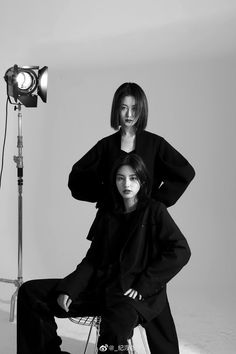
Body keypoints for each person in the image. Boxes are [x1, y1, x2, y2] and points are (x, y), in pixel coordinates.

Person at [17, 154, 191, 354]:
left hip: (130, 295)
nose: (126, 183)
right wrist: (71, 288)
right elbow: (92, 260)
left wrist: (144, 284)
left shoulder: (155, 211)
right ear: (114, 181)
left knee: (115, 328)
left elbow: (181, 250)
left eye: (133, 178)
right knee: (30, 292)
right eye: (120, 178)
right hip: (100, 287)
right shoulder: (108, 212)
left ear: (142, 181)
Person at [68, 82, 195, 352]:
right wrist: (106, 196)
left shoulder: (155, 144)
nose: (129, 114)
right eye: (123, 108)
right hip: (114, 229)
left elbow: (185, 172)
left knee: (153, 295)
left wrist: (156, 204)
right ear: (116, 110)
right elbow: (76, 179)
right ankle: (112, 340)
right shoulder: (106, 146)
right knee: (117, 290)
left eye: (134, 108)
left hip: (145, 228)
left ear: (142, 110)